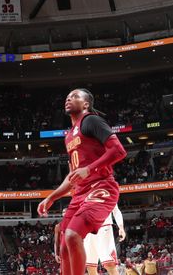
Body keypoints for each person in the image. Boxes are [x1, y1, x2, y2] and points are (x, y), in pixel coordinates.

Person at [37, 88, 127, 275]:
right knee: (63, 247)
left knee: (72, 236)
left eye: (75, 96)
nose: (69, 98)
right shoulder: (69, 135)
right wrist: (51, 198)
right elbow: (72, 176)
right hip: (80, 193)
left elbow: (119, 151)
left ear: (86, 104)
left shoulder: (91, 120)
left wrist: (89, 169)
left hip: (101, 186)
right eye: (67, 96)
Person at [85, 204, 126, 275]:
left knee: (110, 265)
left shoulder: (108, 192)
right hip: (87, 230)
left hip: (103, 228)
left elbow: (115, 210)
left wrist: (121, 227)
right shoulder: (80, 193)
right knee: (90, 267)